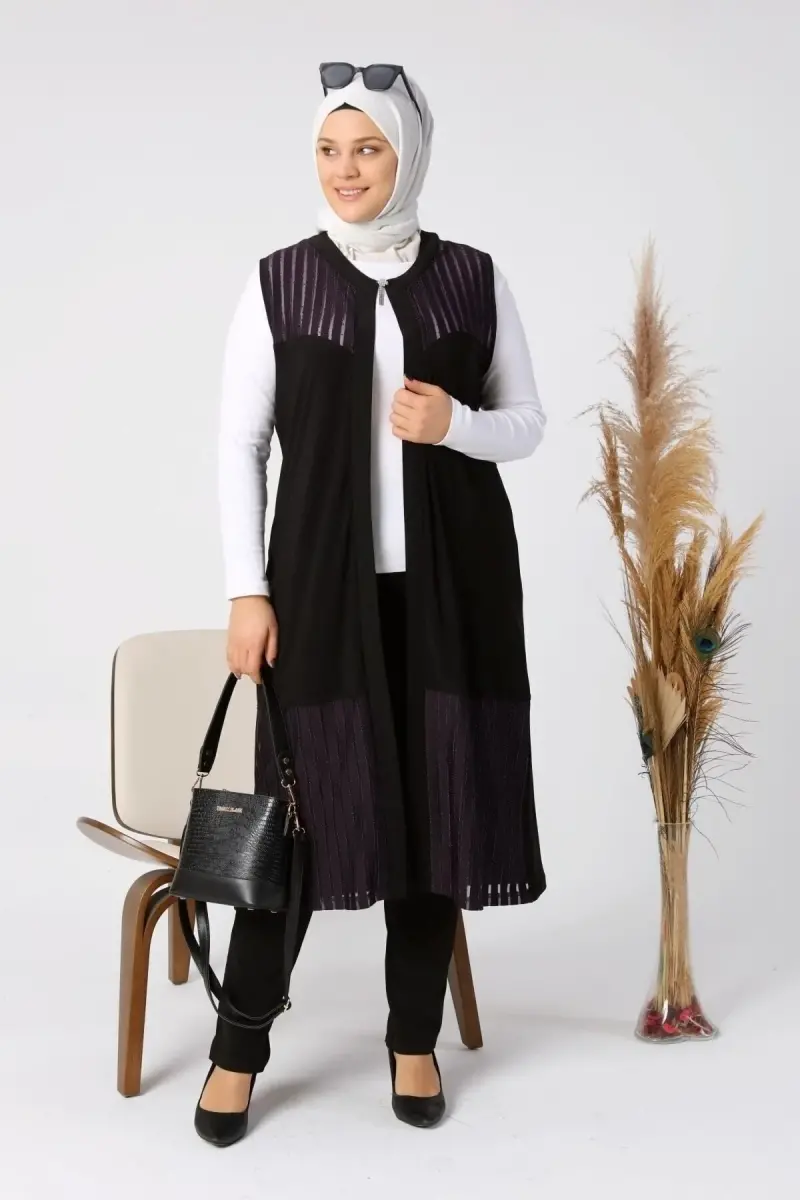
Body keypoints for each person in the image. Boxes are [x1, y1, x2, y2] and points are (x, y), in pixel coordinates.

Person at [196, 62, 547, 1147]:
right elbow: (239, 444)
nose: (345, 170)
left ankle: (412, 1038)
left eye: (368, 149)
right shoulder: (280, 282)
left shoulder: (472, 278)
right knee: (298, 827)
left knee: (438, 814)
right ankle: (237, 1048)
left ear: (408, 155)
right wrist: (247, 590)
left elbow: (527, 421)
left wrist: (456, 425)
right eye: (329, 150)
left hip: (453, 594)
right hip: (316, 597)